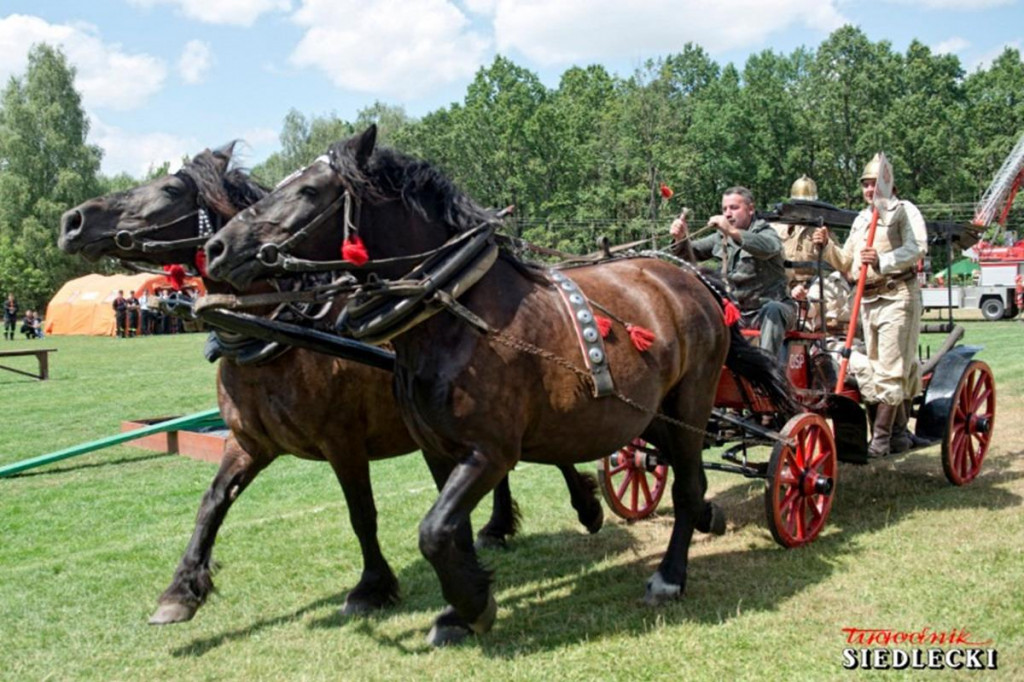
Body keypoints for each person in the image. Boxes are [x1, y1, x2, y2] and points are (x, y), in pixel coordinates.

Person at [812, 154, 928, 457]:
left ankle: (879, 441)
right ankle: (900, 436)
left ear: (889, 185)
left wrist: (882, 260)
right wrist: (826, 247)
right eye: (865, 184)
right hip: (867, 300)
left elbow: (918, 248)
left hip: (897, 296)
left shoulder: (904, 211)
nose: (869, 189)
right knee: (876, 370)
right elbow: (848, 263)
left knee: (890, 371)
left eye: (874, 183)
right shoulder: (863, 219)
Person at [671, 186, 796, 362]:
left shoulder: (765, 232)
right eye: (724, 209)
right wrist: (680, 238)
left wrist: (731, 231)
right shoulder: (720, 237)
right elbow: (690, 253)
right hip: (738, 313)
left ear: (750, 209)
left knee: (773, 309)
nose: (728, 214)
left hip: (773, 310)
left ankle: (767, 370)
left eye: (734, 208)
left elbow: (769, 247)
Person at [773, 175, 823, 302]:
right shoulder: (776, 227)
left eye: (807, 205)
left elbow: (836, 262)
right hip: (780, 287)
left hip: (809, 289)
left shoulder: (822, 230)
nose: (803, 209)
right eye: (799, 204)